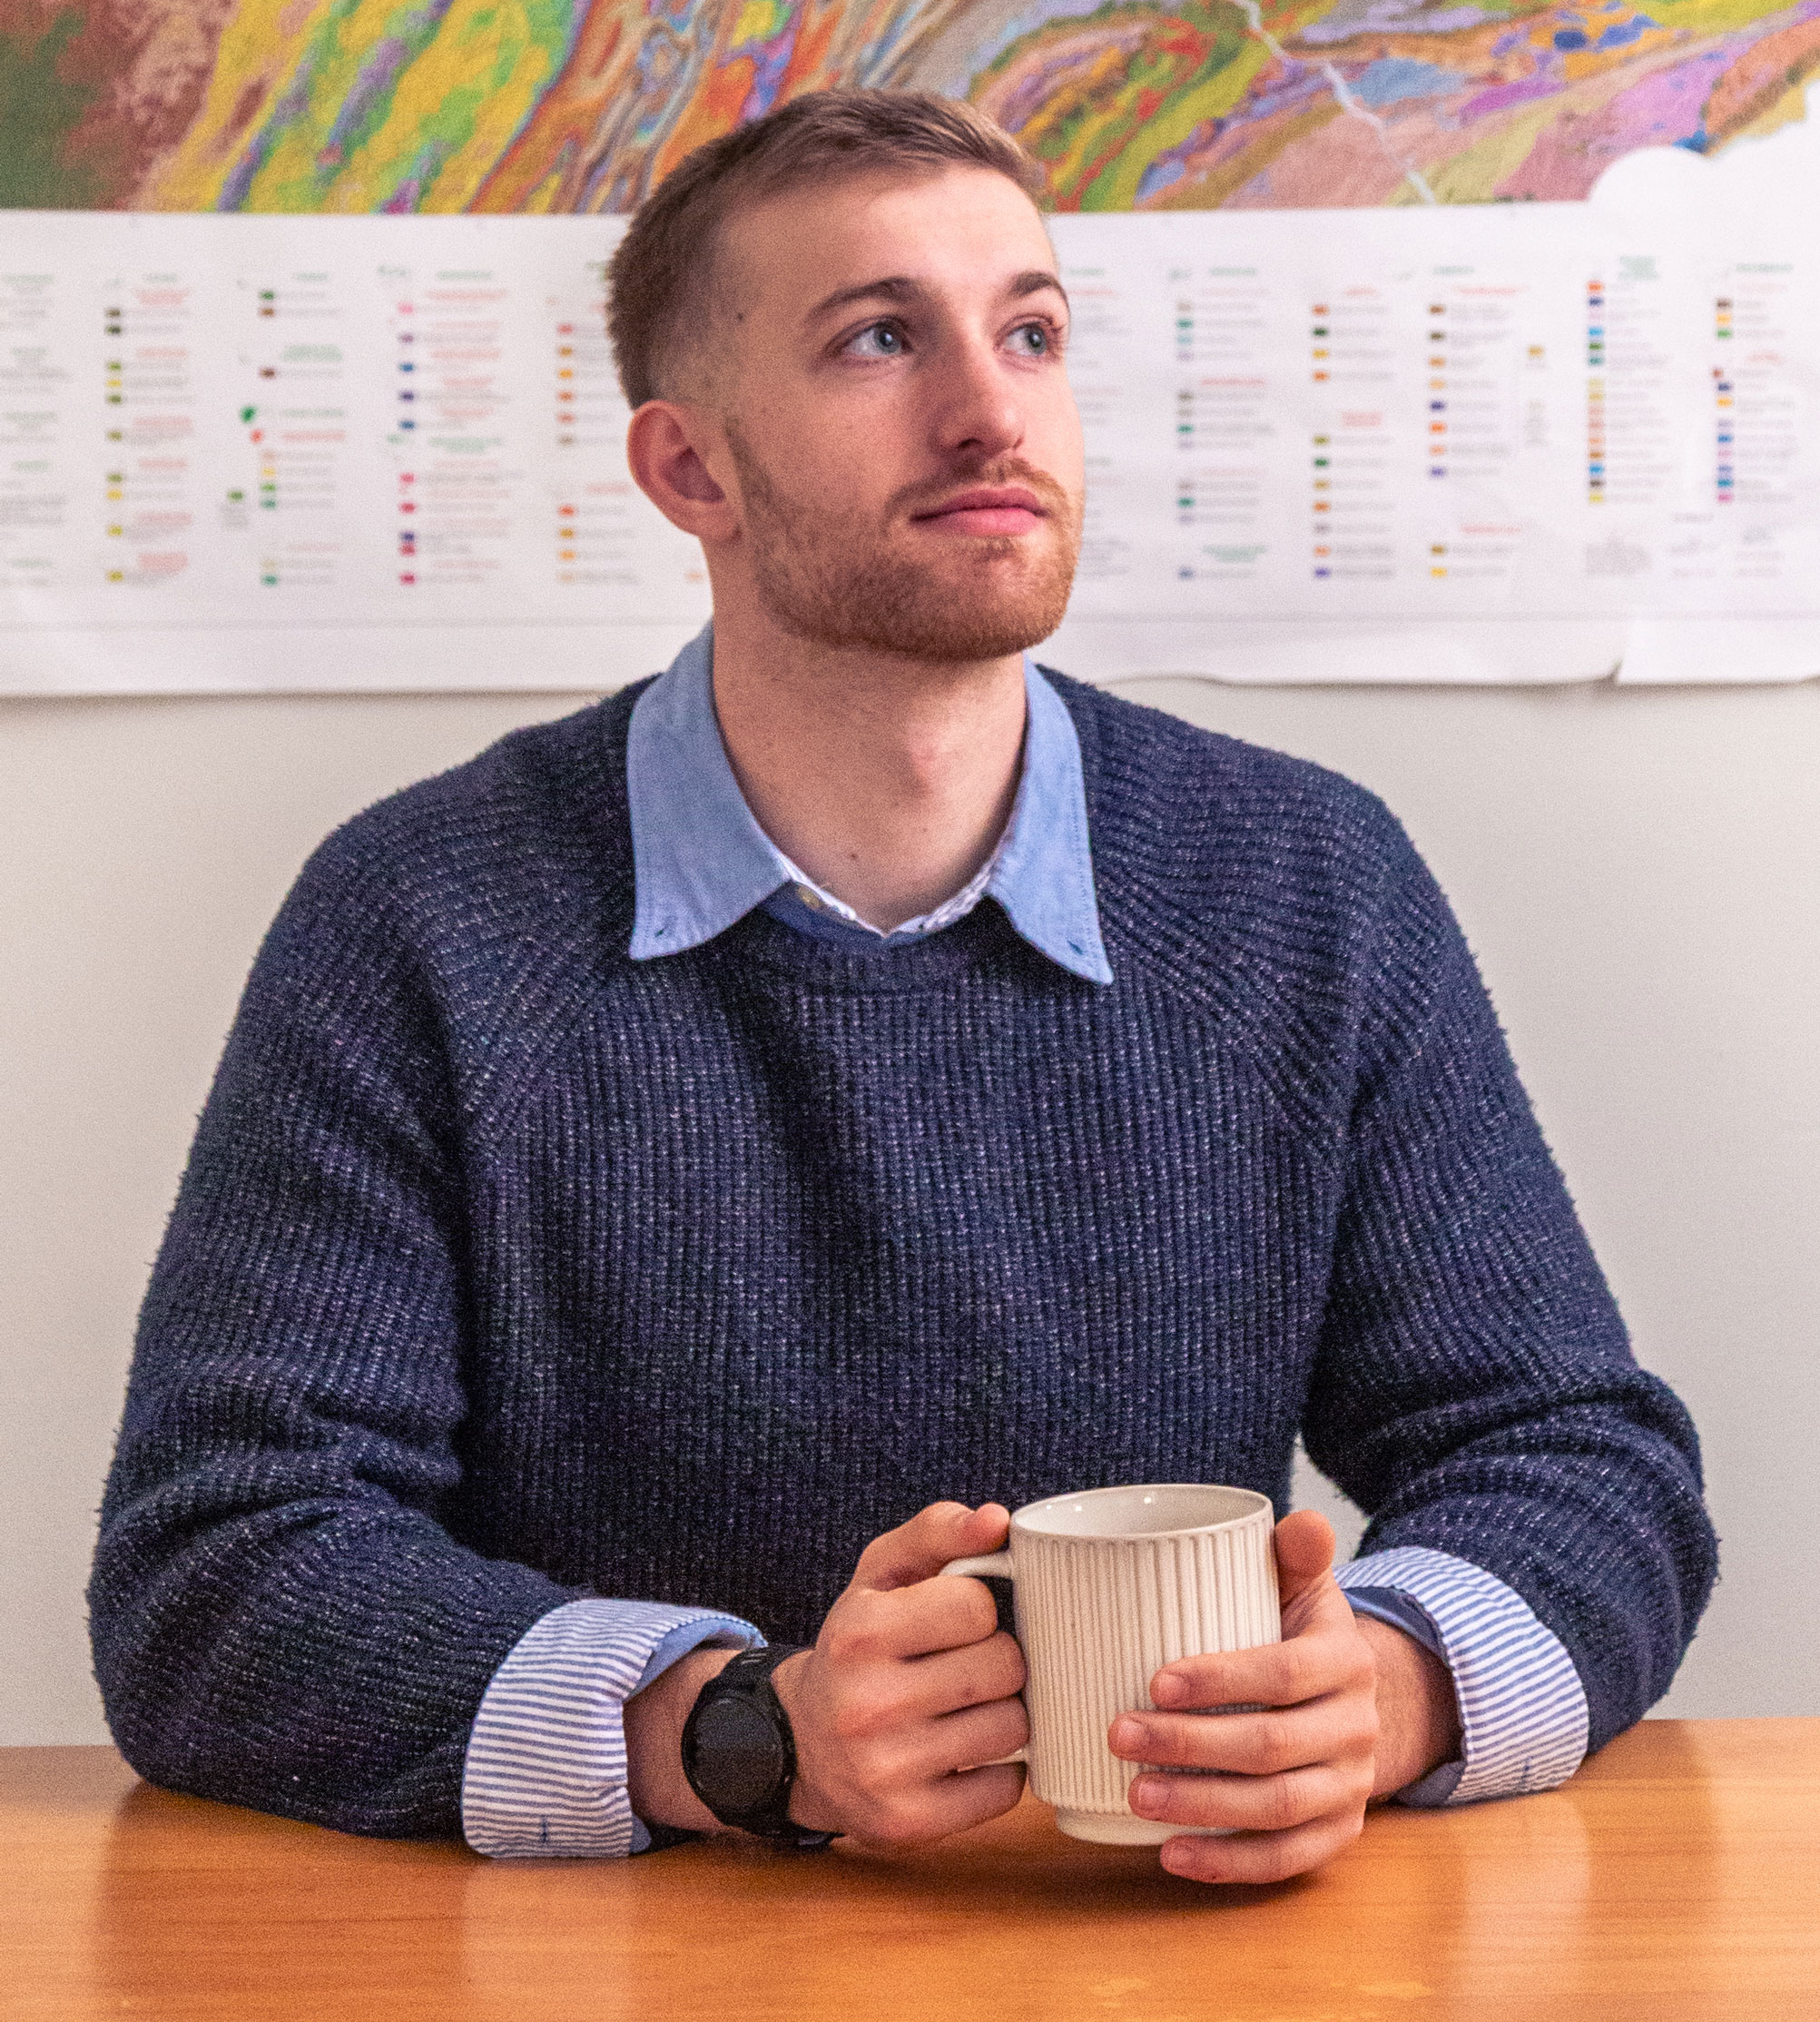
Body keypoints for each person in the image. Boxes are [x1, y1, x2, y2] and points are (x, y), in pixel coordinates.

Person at [91, 92, 1715, 1884]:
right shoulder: (422, 916)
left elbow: (1575, 1457)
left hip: (1164, 1946)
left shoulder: (1302, 883)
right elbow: (215, 1570)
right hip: (636, 1970)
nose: (988, 408)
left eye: (1029, 331)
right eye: (879, 337)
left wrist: (1386, 1689)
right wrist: (731, 1727)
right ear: (688, 469)